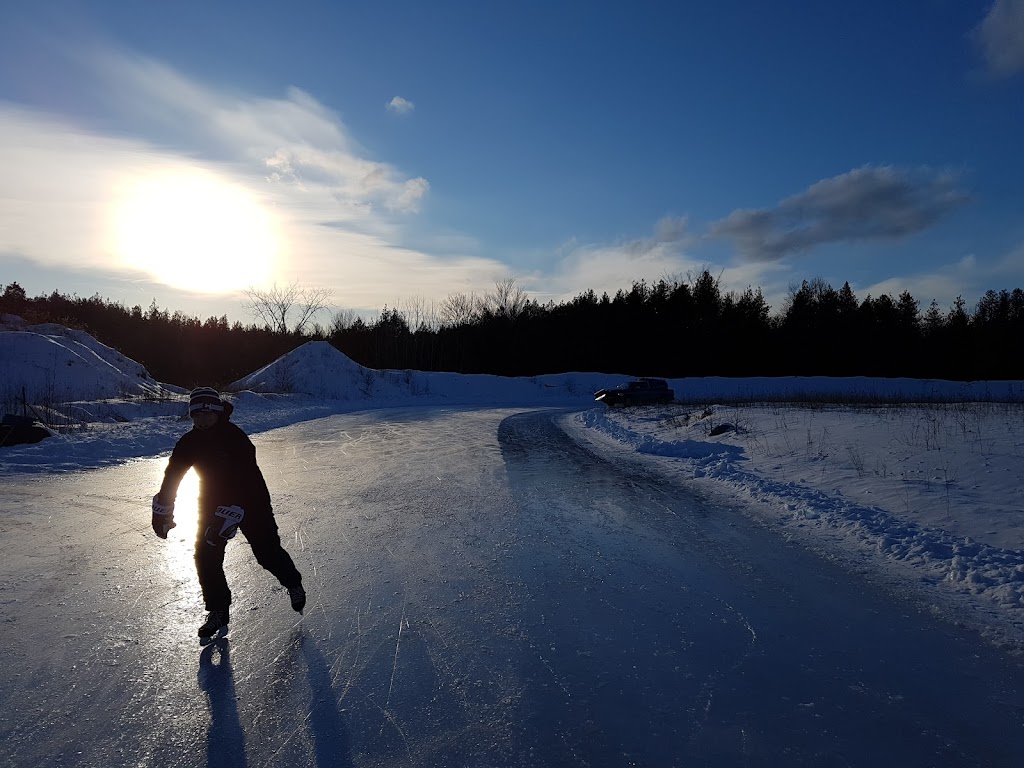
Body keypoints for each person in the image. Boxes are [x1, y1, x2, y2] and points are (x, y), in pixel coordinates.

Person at [152, 387, 305, 638]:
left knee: (266, 553)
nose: (201, 421)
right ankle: (218, 610)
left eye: (206, 415)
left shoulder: (235, 438)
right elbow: (173, 476)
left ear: (217, 413)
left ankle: (293, 583)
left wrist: (233, 510)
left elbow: (246, 478)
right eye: (195, 416)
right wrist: (163, 510)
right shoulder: (189, 442)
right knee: (205, 556)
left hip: (252, 501)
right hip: (211, 503)